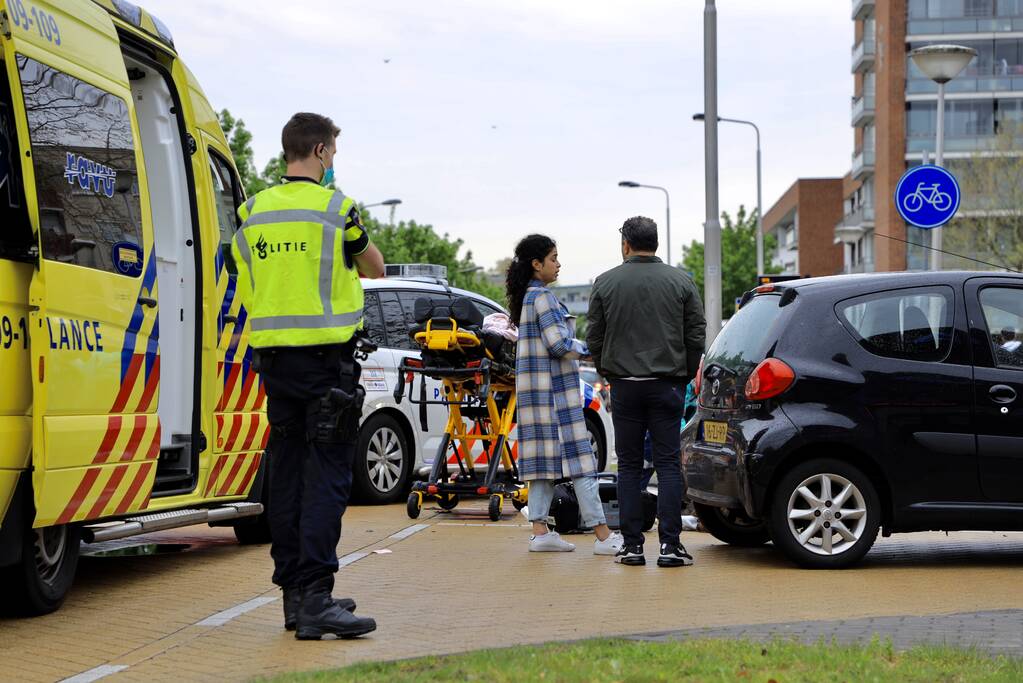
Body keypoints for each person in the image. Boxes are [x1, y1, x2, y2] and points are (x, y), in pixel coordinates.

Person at [232, 112, 384, 640]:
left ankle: (295, 598)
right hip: (326, 367)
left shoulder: (252, 212)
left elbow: (243, 274)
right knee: (326, 478)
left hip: (275, 365)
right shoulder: (337, 210)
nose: (333, 162)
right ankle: (318, 596)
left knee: (288, 474)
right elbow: (375, 267)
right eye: (333, 153)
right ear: (320, 151)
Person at [587, 216, 705, 567]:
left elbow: (594, 335)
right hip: (667, 384)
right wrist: (684, 374)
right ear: (655, 243)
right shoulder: (681, 281)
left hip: (625, 385)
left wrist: (608, 370)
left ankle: (632, 546)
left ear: (625, 244)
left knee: (628, 465)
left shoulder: (605, 282)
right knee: (668, 463)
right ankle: (670, 546)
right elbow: (696, 332)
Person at [507, 234, 623, 555]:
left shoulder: (527, 298)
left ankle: (540, 532)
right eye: (553, 258)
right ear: (536, 264)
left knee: (542, 466)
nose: (558, 264)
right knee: (582, 463)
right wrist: (592, 349)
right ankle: (603, 537)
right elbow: (558, 344)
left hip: (536, 398)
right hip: (556, 396)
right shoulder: (543, 297)